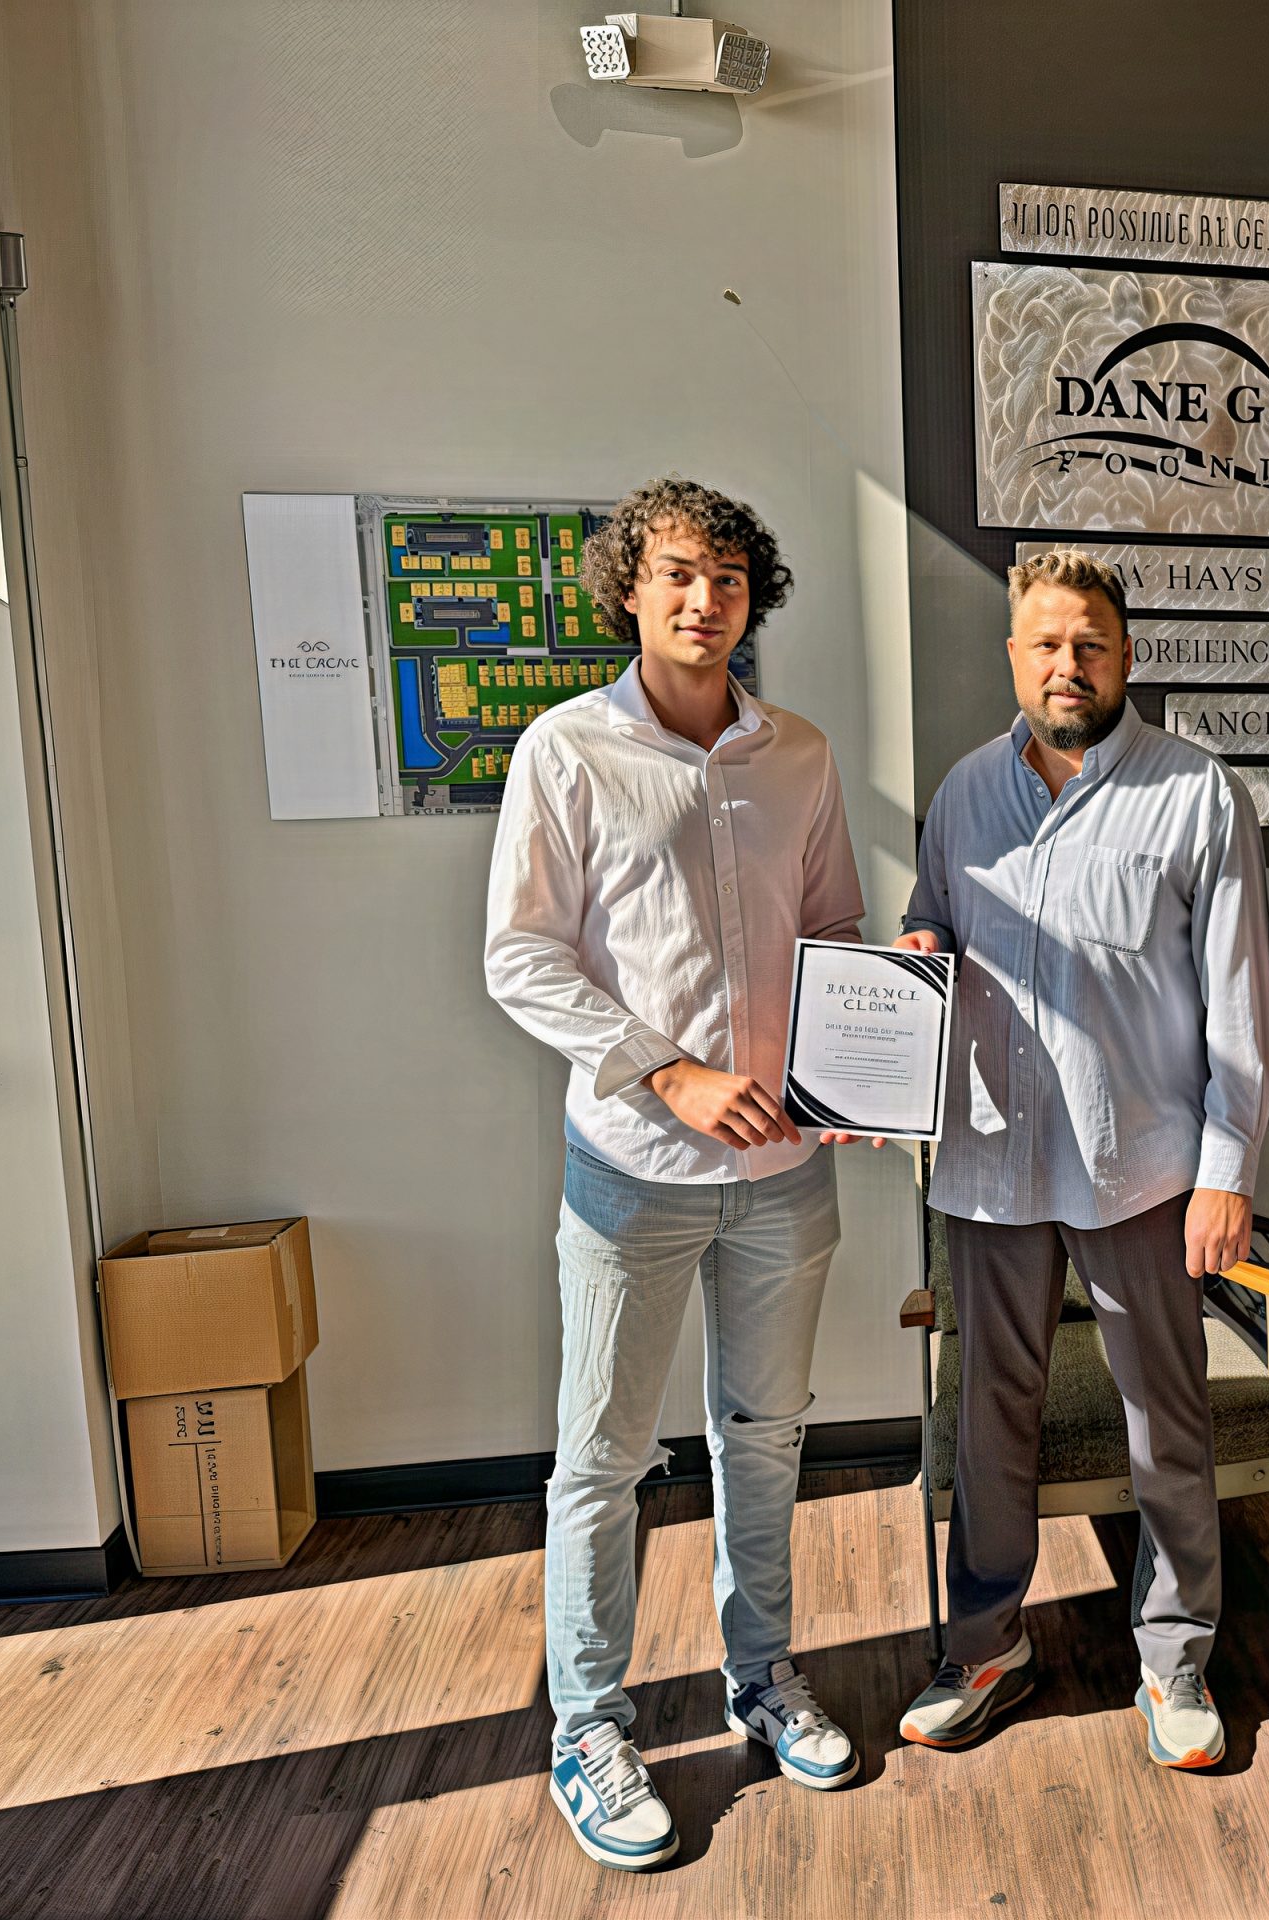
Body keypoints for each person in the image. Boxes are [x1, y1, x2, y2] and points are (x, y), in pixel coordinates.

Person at [486, 477, 863, 1871]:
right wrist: (666, 1068)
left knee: (764, 1437)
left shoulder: (799, 753)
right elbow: (521, 956)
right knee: (602, 1458)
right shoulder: (567, 749)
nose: (706, 599)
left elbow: (832, 926)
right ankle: (588, 1726)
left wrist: (869, 1048)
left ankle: (760, 1679)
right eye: (679, 574)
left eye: (729, 577)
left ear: (754, 596)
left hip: (785, 1172)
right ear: (630, 592)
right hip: (633, 1168)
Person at [883, 548, 1269, 1770]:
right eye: (1048, 643)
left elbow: (1240, 1005)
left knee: (1165, 1417)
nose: (1070, 664)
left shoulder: (1197, 793)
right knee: (987, 1416)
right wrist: (918, 942)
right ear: (1015, 655)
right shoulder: (963, 791)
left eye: (1091, 643)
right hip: (990, 1160)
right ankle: (986, 1646)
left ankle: (1175, 1658)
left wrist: (1228, 1172)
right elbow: (933, 919)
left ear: (1126, 655)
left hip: (1141, 1167)